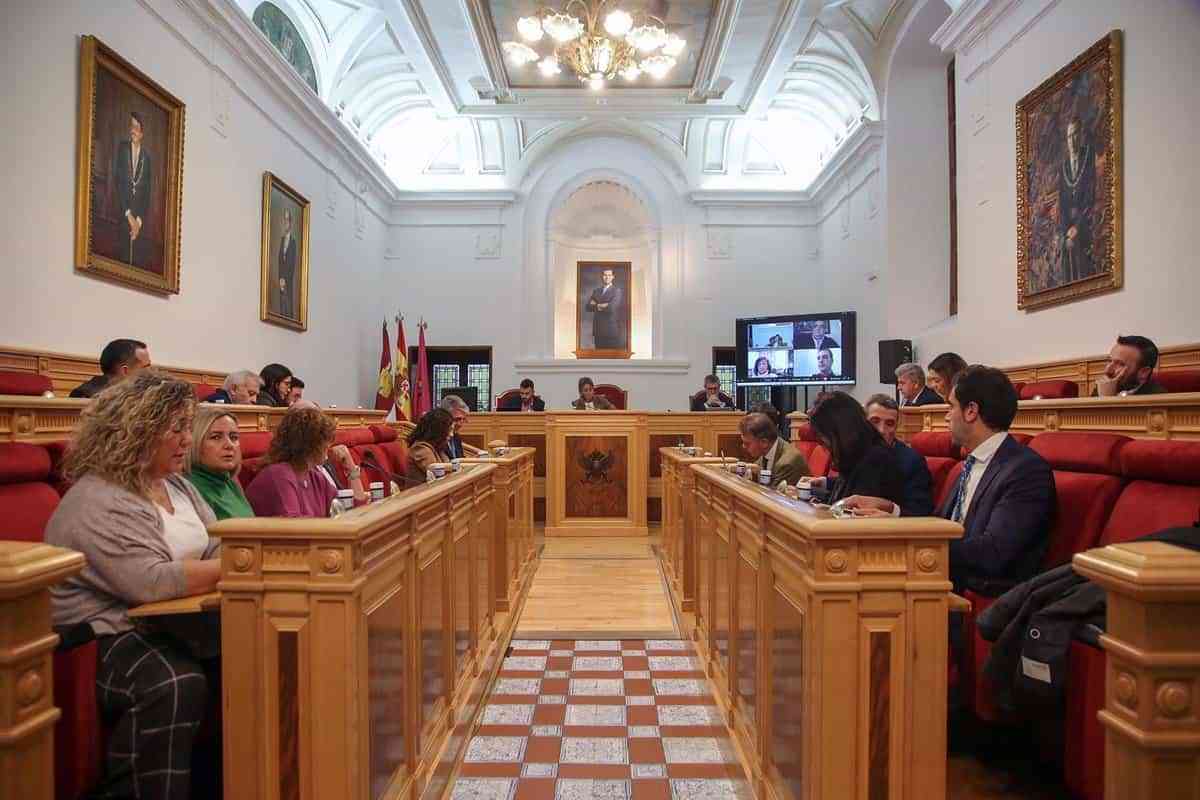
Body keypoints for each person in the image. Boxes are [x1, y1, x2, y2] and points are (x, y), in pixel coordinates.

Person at [46, 370, 221, 800]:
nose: (187, 439)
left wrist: (232, 561)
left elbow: (220, 540)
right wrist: (240, 568)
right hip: (101, 638)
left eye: (187, 425)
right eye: (176, 428)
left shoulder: (177, 484)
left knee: (261, 656)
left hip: (173, 621)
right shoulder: (100, 498)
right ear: (137, 429)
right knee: (176, 682)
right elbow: (153, 582)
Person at [846, 366, 1056, 595]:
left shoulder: (1025, 470)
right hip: (940, 577)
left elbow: (994, 552)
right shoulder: (970, 463)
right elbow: (938, 525)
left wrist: (910, 543)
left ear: (971, 411)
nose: (947, 416)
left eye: (951, 406)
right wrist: (892, 514)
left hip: (977, 591)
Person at [245, 406, 362, 517]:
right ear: (308, 443)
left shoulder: (314, 476)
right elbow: (296, 531)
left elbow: (352, 510)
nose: (329, 445)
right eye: (324, 439)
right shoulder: (280, 475)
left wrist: (351, 467)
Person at [805, 392, 904, 507]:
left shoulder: (875, 459)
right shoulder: (857, 452)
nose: (824, 443)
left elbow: (854, 513)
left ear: (840, 431)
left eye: (824, 436)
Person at [848, 395, 934, 516]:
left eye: (889, 424)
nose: (881, 430)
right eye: (875, 421)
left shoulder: (912, 462)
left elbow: (920, 511)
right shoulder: (858, 452)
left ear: (896, 427)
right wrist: (825, 483)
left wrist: (891, 510)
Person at [186, 407, 254, 520]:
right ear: (195, 443)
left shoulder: (229, 482)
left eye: (234, 437)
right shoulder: (189, 488)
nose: (229, 445)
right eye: (216, 437)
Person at [1058, 117, 1096, 285]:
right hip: (1068, 227)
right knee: (1065, 245)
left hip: (1085, 221)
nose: (1072, 140)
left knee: (1077, 246)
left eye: (1075, 135)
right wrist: (1066, 230)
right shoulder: (1064, 167)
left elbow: (1090, 196)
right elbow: (1063, 205)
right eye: (1069, 136)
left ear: (1080, 135)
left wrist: (1077, 226)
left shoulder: (1088, 158)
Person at [113, 111, 153, 268]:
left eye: (136, 127)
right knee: (121, 263)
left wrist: (138, 222)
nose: (133, 130)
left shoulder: (147, 158)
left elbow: (147, 192)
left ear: (142, 133)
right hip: (124, 215)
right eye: (132, 126)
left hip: (138, 223)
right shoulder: (122, 149)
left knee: (135, 265)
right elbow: (118, 182)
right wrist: (128, 215)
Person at [737, 412, 809, 488]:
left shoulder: (787, 463)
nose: (743, 446)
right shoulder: (766, 452)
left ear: (764, 442)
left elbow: (771, 496)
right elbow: (754, 470)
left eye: (747, 443)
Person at [69, 338, 151, 398]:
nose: (150, 372)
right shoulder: (86, 396)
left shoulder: (140, 394)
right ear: (125, 370)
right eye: (145, 368)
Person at [1093, 335, 1166, 396]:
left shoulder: (1157, 397)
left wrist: (1107, 400)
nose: (1107, 370)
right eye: (1109, 361)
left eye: (1120, 364)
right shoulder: (1104, 386)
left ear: (1144, 372)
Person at [406, 408, 454, 484]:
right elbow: (437, 470)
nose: (452, 435)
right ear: (438, 430)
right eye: (449, 430)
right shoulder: (420, 448)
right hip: (420, 494)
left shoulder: (437, 447)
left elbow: (448, 466)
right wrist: (460, 466)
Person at [586, 268, 623, 349]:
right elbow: (588, 307)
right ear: (602, 277)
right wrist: (603, 305)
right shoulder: (596, 291)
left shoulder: (617, 291)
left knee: (610, 359)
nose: (607, 277)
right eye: (605, 275)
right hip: (598, 330)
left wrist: (596, 305)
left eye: (609, 275)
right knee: (598, 358)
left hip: (610, 331)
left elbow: (611, 308)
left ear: (613, 277)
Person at [278, 208, 298, 318]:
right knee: (282, 306)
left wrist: (285, 279)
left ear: (290, 222)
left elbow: (292, 264)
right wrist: (280, 278)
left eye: (287, 220)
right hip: (281, 280)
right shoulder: (282, 240)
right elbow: (280, 261)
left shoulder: (293, 243)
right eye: (284, 220)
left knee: (288, 306)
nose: (286, 222)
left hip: (288, 281)